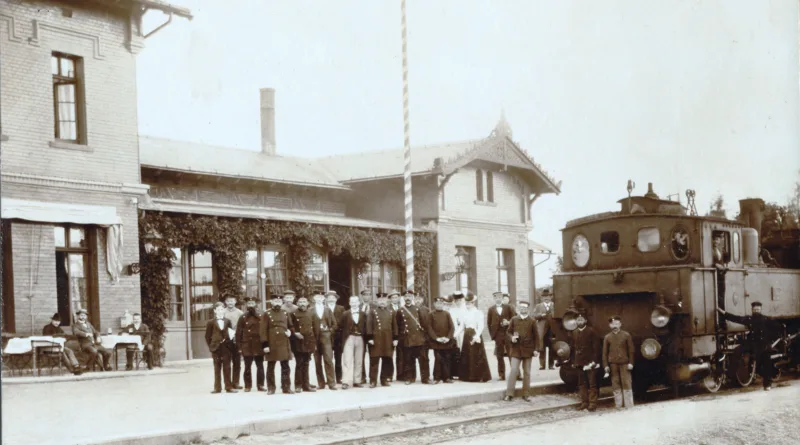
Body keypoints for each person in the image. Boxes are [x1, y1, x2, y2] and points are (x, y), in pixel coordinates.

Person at [718, 302, 782, 391]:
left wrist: (770, 340)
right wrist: (724, 313)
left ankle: (767, 383)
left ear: (761, 310)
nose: (756, 311)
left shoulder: (766, 320)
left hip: (762, 345)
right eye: (755, 310)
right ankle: (730, 374)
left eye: (758, 310)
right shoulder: (749, 319)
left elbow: (778, 328)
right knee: (737, 350)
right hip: (751, 343)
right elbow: (736, 318)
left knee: (764, 362)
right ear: (752, 310)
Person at [503, 301, 537, 401]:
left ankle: (526, 394)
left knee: (526, 372)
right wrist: (511, 337)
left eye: (525, 308)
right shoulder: (514, 319)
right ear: (519, 309)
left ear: (528, 310)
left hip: (528, 350)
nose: (523, 309)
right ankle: (509, 393)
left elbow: (537, 337)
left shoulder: (532, 321)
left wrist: (536, 349)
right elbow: (508, 332)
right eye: (521, 308)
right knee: (514, 370)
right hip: (516, 349)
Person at [261, 294, 294, 395]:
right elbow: (263, 330)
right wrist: (265, 345)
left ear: (282, 302)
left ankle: (286, 387)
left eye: (279, 302)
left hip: (284, 341)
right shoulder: (266, 314)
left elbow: (291, 326)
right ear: (271, 302)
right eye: (275, 301)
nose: (277, 303)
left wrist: (290, 332)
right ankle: (271, 388)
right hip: (272, 342)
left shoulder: (285, 313)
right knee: (271, 366)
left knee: (285, 366)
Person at [396, 290, 430, 385]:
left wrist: (425, 337)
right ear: (403, 298)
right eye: (406, 296)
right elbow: (399, 325)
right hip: (407, 339)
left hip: (419, 338)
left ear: (412, 298)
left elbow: (423, 324)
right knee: (408, 360)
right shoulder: (400, 311)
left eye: (410, 296)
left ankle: (425, 378)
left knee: (423, 360)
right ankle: (409, 378)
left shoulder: (418, 309)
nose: (408, 298)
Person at [569, 312, 602, 411]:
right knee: (582, 383)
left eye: (581, 320)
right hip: (579, 362)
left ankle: (592, 404)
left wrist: (594, 361)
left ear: (585, 321)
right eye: (578, 320)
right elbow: (573, 348)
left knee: (592, 383)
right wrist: (573, 361)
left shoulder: (591, 331)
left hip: (589, 362)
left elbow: (596, 348)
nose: (580, 322)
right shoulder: (574, 332)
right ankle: (584, 402)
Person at [366, 292, 398, 387]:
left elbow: (394, 326)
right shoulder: (372, 311)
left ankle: (384, 380)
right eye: (380, 300)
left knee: (387, 360)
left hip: (388, 339)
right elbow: (369, 325)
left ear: (387, 301)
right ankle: (373, 381)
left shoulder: (391, 312)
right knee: (374, 361)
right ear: (377, 301)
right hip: (376, 340)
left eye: (384, 300)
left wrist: (395, 338)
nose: (382, 302)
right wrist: (370, 337)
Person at [458, 292, 492, 382]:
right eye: (466, 303)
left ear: (473, 303)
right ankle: (467, 376)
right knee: (466, 355)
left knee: (476, 355)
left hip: (475, 334)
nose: (468, 305)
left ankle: (478, 376)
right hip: (466, 335)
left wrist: (476, 337)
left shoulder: (478, 313)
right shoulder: (464, 313)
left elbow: (481, 326)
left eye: (469, 303)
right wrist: (454, 335)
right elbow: (461, 327)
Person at [603, 315, 635, 408]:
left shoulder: (626, 335)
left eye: (617, 323)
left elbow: (631, 350)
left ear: (620, 324)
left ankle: (629, 405)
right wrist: (605, 366)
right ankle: (618, 405)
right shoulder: (607, 337)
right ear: (609, 326)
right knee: (615, 384)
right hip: (613, 365)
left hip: (625, 364)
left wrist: (631, 363)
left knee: (627, 383)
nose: (615, 325)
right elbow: (604, 353)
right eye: (612, 323)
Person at [205, 302, 238, 394]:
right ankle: (217, 388)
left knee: (227, 367)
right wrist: (212, 346)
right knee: (217, 367)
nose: (220, 311)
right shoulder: (211, 322)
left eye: (222, 309)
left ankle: (229, 386)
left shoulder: (228, 321)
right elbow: (207, 336)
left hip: (226, 347)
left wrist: (229, 346)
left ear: (224, 310)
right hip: (216, 348)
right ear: (215, 311)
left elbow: (230, 334)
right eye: (218, 309)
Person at [236, 296, 265, 392]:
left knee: (260, 365)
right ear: (246, 305)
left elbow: (265, 330)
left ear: (256, 305)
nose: (251, 305)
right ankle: (247, 385)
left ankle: (260, 385)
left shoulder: (262, 315)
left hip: (258, 344)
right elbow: (238, 333)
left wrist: (265, 344)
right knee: (247, 366)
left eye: (252, 304)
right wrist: (239, 347)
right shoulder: (242, 317)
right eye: (249, 304)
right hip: (247, 344)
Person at [291, 296, 319, 393]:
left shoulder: (311, 313)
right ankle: (298, 385)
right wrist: (295, 333)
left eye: (304, 302)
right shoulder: (293, 313)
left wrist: (314, 342)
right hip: (298, 342)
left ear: (307, 303)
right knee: (299, 363)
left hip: (309, 341)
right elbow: (290, 326)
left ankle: (306, 385)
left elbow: (315, 328)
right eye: (300, 302)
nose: (302, 304)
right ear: (297, 303)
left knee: (306, 364)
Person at [312, 291, 338, 390]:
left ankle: (331, 383)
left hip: (326, 338)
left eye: (321, 297)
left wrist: (329, 332)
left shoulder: (327, 310)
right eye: (317, 297)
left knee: (328, 360)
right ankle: (321, 383)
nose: (319, 298)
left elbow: (334, 324)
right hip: (315, 338)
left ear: (323, 299)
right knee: (317, 361)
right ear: (314, 298)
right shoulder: (311, 310)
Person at [340, 295, 366, 389]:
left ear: (359, 303)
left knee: (359, 360)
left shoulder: (363, 314)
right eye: (352, 302)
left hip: (360, 338)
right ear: (349, 303)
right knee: (347, 360)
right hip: (349, 338)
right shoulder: (345, 314)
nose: (354, 304)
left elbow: (365, 327)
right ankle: (345, 381)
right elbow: (341, 327)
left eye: (356, 302)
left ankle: (357, 380)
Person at [427, 296, 455, 384]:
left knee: (447, 358)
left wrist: (448, 337)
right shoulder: (431, 314)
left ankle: (446, 377)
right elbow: (429, 328)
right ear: (434, 304)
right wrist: (436, 338)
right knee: (438, 359)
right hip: (437, 341)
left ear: (443, 304)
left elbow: (452, 327)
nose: (439, 305)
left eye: (441, 303)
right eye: (437, 303)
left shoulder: (447, 314)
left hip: (446, 341)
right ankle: (437, 377)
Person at [488, 291, 515, 380]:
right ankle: (501, 375)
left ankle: (516, 374)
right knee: (499, 355)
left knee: (511, 353)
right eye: (496, 298)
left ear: (502, 298)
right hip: (498, 335)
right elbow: (489, 323)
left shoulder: (508, 307)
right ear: (494, 299)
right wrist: (493, 335)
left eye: (500, 298)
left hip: (507, 333)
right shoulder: (491, 309)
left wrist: (508, 322)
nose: (498, 299)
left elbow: (515, 318)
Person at [223, 295, 244, 390]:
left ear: (235, 302)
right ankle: (228, 384)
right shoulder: (222, 312)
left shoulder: (240, 313)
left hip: (236, 339)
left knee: (237, 362)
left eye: (232, 301)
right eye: (228, 301)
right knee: (227, 363)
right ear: (225, 302)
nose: (230, 303)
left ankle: (236, 382)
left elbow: (243, 326)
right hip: (226, 340)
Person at [532, 289, 555, 370]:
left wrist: (552, 314)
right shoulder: (538, 306)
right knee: (542, 347)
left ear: (551, 297)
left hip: (552, 329)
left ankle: (551, 365)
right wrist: (541, 315)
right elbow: (534, 315)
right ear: (542, 298)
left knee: (552, 347)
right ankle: (542, 365)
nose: (546, 298)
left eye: (548, 296)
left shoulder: (554, 305)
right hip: (542, 330)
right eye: (544, 296)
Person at [326, 291, 345, 384]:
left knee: (338, 358)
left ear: (336, 299)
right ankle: (329, 378)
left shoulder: (341, 308)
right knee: (328, 358)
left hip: (338, 336)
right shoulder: (324, 309)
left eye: (333, 297)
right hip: (327, 336)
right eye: (329, 297)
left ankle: (339, 378)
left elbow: (343, 321)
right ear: (326, 299)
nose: (331, 299)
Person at [415, 294, 432, 383]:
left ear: (422, 300)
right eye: (416, 299)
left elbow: (428, 325)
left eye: (419, 299)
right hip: (412, 338)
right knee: (410, 359)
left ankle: (425, 378)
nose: (417, 301)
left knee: (424, 358)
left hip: (423, 338)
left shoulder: (426, 310)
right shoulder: (409, 309)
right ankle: (410, 378)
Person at [449, 291, 467, 379]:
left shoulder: (466, 309)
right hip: (455, 333)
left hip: (464, 333)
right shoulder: (452, 311)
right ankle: (456, 372)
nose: (458, 302)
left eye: (459, 300)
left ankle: (465, 372)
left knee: (464, 352)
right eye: (456, 301)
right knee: (456, 352)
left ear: (462, 300)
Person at [713, 233, 728, 327]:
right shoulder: (709, 250)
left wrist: (725, 265)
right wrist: (716, 265)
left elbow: (723, 259)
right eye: (714, 239)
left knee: (722, 297)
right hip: (714, 275)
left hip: (721, 275)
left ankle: (722, 319)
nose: (715, 241)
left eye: (717, 239)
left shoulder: (720, 250)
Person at [390, 291, 405, 382]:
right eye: (393, 297)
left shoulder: (402, 308)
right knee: (389, 355)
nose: (395, 299)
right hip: (390, 334)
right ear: (390, 299)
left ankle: (400, 375)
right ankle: (389, 375)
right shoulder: (388, 308)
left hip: (400, 335)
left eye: (396, 297)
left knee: (401, 356)